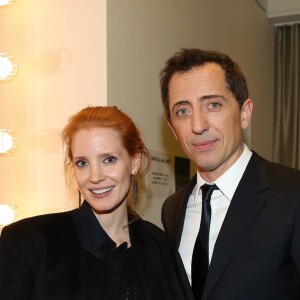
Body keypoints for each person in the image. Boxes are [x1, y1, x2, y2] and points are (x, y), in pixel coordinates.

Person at [0, 106, 185, 300]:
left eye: (109, 160)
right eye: (82, 163)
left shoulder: (160, 246)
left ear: (134, 162)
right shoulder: (27, 243)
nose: (95, 177)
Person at [159, 48, 300, 300]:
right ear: (172, 128)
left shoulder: (292, 195)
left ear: (244, 113)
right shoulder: (172, 209)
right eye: (183, 111)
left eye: (213, 105)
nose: (198, 125)